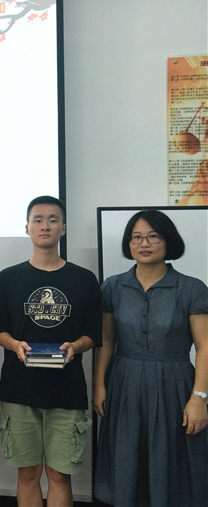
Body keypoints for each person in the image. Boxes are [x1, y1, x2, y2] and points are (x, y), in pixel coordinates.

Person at [0, 196, 102, 507]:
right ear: (27, 228)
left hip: (66, 392)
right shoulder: (9, 277)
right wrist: (15, 345)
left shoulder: (84, 279)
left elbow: (94, 334)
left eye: (53, 220)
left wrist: (76, 346)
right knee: (27, 474)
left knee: (59, 476)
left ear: (63, 228)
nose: (45, 226)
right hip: (19, 390)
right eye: (37, 220)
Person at [93, 210, 208, 507]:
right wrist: (99, 384)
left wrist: (199, 398)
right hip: (124, 384)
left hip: (175, 386)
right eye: (136, 237)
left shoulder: (191, 288)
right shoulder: (113, 286)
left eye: (153, 236)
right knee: (126, 459)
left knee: (173, 463)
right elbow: (106, 340)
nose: (144, 244)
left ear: (168, 241)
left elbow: (205, 346)